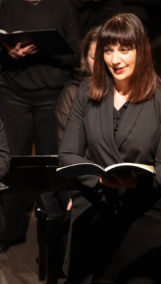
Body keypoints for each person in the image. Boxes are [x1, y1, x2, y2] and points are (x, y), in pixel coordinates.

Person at [58, 13, 161, 283]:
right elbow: (67, 154)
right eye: (108, 50)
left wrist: (133, 181)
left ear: (141, 50)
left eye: (124, 50)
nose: (115, 60)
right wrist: (100, 179)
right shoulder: (86, 92)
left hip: (143, 218)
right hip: (93, 213)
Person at [0, 0, 80, 253]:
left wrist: (48, 49)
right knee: (11, 163)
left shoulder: (63, 6)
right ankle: (8, 232)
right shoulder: (5, 4)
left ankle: (54, 237)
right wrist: (8, 53)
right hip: (12, 92)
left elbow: (78, 53)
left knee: (52, 166)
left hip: (51, 95)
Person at [55, 26, 100, 145]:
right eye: (94, 57)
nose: (99, 64)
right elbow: (65, 146)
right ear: (85, 58)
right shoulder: (74, 92)